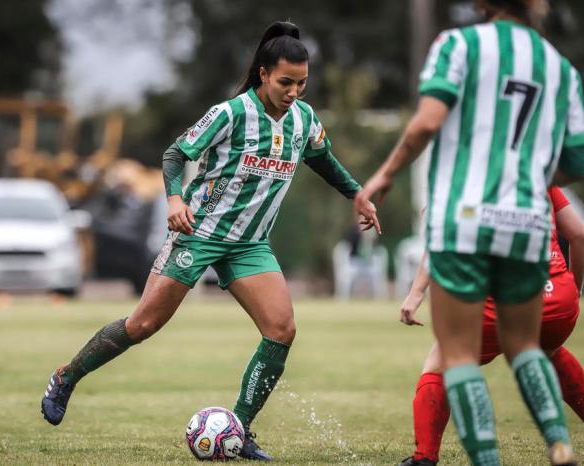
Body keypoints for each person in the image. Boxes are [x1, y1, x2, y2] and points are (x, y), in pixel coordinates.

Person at [41, 21, 380, 461]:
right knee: (142, 325)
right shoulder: (230, 113)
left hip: (250, 244)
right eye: (285, 82)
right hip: (198, 233)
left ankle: (239, 429)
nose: (294, 91)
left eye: (301, 83)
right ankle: (66, 377)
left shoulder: (304, 119)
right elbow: (175, 153)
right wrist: (175, 199)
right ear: (263, 74)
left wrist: (358, 194)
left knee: (281, 330)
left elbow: (324, 160)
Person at [354, 0, 584, 464]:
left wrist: (385, 176)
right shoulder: (560, 68)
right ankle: (558, 440)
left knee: (456, 356)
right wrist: (524, 178)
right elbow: (577, 160)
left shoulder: (458, 44)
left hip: (466, 220)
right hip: (527, 224)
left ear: (480, 3)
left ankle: (485, 459)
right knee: (525, 348)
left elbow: (427, 123)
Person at [399, 187, 584, 466]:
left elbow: (442, 238)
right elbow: (579, 234)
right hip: (558, 301)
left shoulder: (470, 177)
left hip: (497, 305)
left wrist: (415, 293)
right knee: (547, 351)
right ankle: (557, 443)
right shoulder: (540, 171)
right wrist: (574, 287)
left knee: (439, 365)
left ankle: (424, 457)